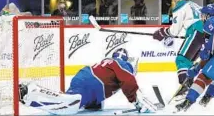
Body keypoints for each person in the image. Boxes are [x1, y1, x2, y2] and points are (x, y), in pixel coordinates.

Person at [18, 48, 158, 115]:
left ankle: (41, 98)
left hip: (84, 75)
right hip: (94, 83)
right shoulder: (124, 64)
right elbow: (128, 81)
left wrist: (94, 104)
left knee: (69, 103)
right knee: (69, 106)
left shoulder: (107, 62)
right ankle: (32, 92)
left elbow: (107, 82)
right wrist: (136, 101)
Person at [152, 0, 205, 97]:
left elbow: (175, 30)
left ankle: (185, 86)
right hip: (204, 35)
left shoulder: (180, 5)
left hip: (195, 32)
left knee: (181, 59)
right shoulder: (195, 5)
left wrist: (161, 33)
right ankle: (190, 88)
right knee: (189, 63)